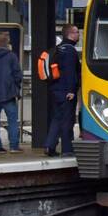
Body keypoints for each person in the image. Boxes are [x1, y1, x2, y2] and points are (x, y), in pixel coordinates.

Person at [44, 23, 80, 157]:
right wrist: (71, 90)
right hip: (66, 91)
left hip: (55, 89)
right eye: (77, 32)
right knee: (67, 120)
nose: (79, 35)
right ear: (70, 34)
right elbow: (71, 72)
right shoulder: (70, 51)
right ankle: (67, 149)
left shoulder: (58, 49)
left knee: (57, 118)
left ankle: (49, 146)